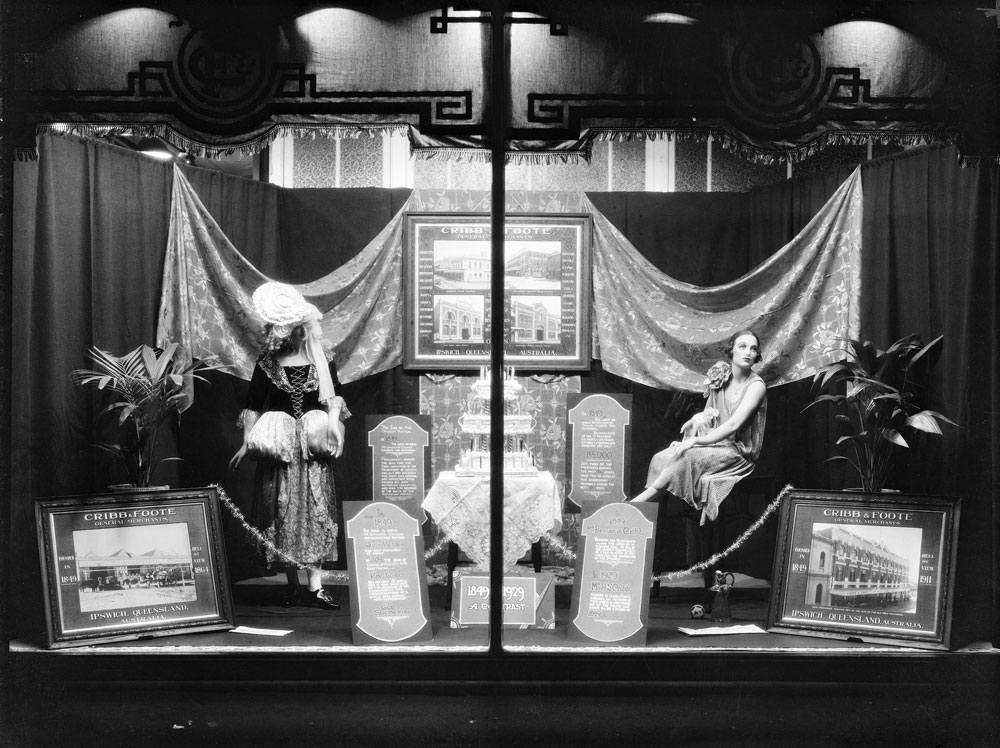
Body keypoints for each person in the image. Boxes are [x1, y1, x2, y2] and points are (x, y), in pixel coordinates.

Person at [230, 282, 350, 610]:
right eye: (301, 328)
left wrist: (333, 425)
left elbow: (334, 397)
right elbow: (253, 405)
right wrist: (246, 443)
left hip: (312, 450)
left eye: (305, 328)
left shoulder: (322, 360)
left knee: (315, 509)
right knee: (279, 508)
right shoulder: (268, 362)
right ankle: (293, 584)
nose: (306, 333)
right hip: (279, 448)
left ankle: (315, 587)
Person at [629, 330, 767, 527]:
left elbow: (733, 424)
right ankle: (646, 515)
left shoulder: (756, 386)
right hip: (715, 442)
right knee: (661, 457)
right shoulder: (722, 375)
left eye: (753, 349)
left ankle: (634, 507)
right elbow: (710, 413)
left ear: (757, 355)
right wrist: (696, 420)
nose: (748, 352)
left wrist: (696, 440)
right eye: (742, 346)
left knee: (685, 458)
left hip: (737, 452)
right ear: (732, 350)